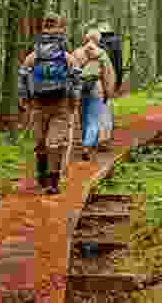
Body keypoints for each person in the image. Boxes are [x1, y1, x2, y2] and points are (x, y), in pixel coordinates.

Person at [19, 14, 77, 194]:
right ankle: (53, 181)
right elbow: (76, 79)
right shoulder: (66, 57)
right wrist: (74, 102)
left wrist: (25, 100)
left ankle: (42, 177)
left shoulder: (33, 57)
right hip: (61, 104)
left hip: (38, 104)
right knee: (55, 142)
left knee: (41, 141)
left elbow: (22, 78)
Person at [71, 29, 116, 162]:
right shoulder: (102, 54)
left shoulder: (77, 53)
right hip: (96, 88)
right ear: (98, 40)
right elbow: (108, 75)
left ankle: (86, 142)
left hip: (80, 87)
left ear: (86, 39)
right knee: (94, 119)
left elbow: (71, 71)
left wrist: (72, 90)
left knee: (83, 117)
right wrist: (108, 92)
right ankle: (87, 145)